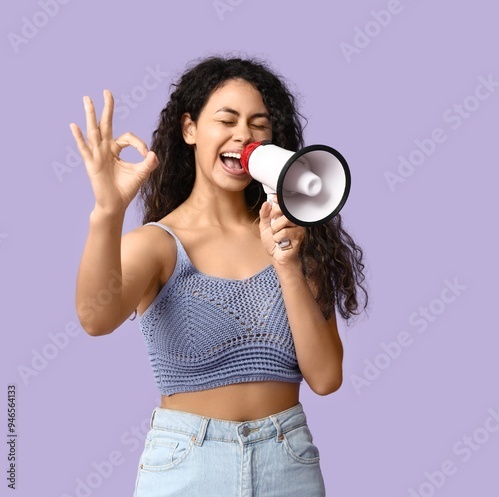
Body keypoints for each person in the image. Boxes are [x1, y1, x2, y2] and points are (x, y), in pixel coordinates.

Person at [71, 56, 367, 496]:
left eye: (258, 124)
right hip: (188, 465)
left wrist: (287, 265)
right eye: (226, 120)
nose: (243, 135)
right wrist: (108, 211)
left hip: (288, 464)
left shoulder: (297, 238)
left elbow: (325, 378)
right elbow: (95, 319)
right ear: (190, 129)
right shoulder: (158, 245)